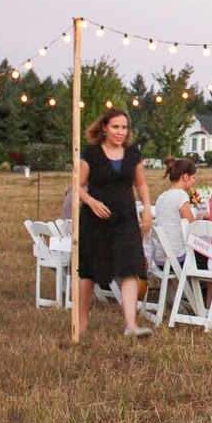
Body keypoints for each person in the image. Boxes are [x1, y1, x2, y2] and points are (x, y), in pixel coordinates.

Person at [76, 108, 153, 337]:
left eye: (124, 127)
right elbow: (77, 186)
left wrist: (147, 208)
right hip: (96, 220)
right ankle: (81, 323)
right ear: (104, 128)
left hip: (126, 218)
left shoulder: (132, 154)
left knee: (131, 269)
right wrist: (91, 201)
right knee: (89, 272)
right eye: (115, 127)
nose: (120, 132)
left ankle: (131, 325)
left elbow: (141, 184)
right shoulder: (91, 154)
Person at [151, 156, 202, 266]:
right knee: (208, 254)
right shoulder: (181, 195)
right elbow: (192, 227)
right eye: (193, 177)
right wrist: (201, 217)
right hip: (176, 258)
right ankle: (207, 283)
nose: (194, 181)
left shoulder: (162, 196)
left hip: (161, 258)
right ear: (185, 177)